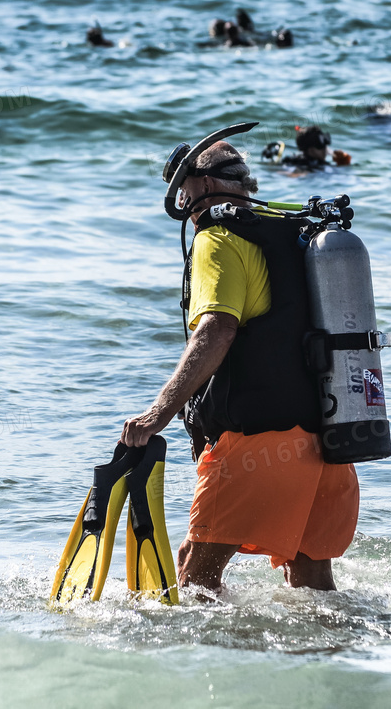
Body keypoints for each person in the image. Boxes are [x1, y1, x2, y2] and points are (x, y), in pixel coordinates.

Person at [121, 140, 359, 594]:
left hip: (259, 452)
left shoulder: (217, 239)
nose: (187, 209)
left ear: (206, 184)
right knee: (313, 589)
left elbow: (216, 332)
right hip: (331, 450)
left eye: (186, 193)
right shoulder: (296, 234)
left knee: (194, 578)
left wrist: (157, 417)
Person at [262, 125, 351, 170]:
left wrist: (343, 162)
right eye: (320, 145)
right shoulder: (301, 164)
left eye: (324, 143)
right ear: (310, 150)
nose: (324, 148)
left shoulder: (320, 164)